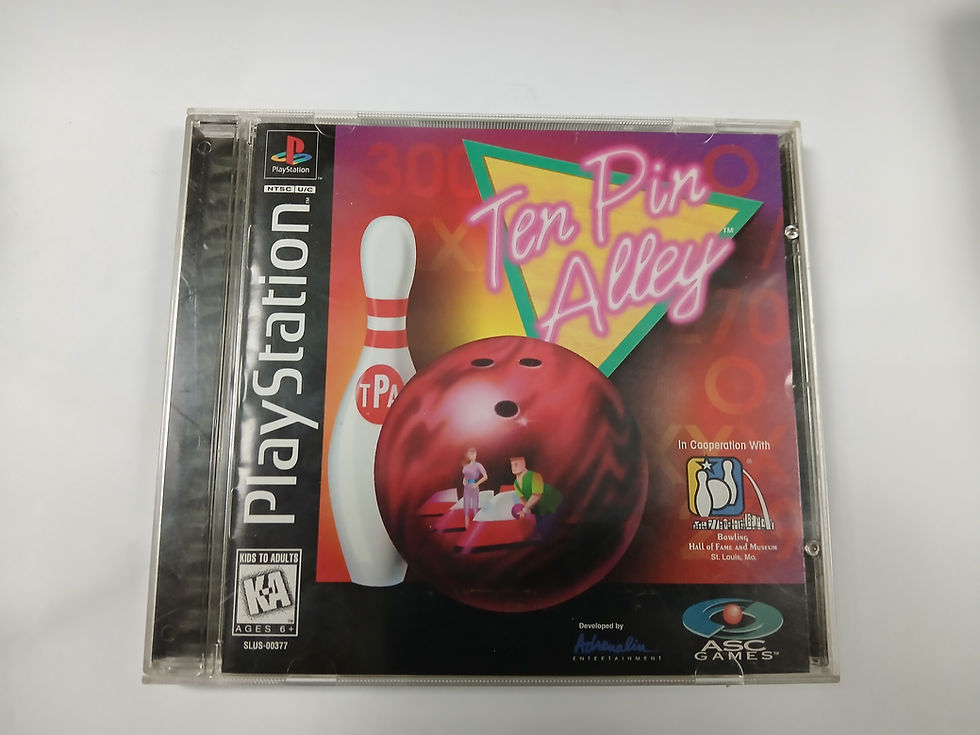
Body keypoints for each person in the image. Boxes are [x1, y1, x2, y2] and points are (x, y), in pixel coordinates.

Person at [510, 456, 562, 540]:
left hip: (554, 505)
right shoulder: (516, 483)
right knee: (540, 533)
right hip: (540, 510)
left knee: (548, 534)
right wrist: (524, 511)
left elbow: (537, 495)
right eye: (512, 465)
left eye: (516, 464)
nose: (513, 468)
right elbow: (523, 500)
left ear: (523, 464)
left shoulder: (535, 476)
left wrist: (525, 510)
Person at [461, 447, 488, 529]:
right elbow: (465, 476)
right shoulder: (466, 466)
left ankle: (475, 530)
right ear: (468, 455)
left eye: (474, 454)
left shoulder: (478, 465)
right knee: (466, 510)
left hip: (474, 488)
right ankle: (467, 531)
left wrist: (477, 484)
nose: (473, 455)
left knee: (475, 509)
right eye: (471, 454)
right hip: (466, 489)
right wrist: (464, 482)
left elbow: (485, 476)